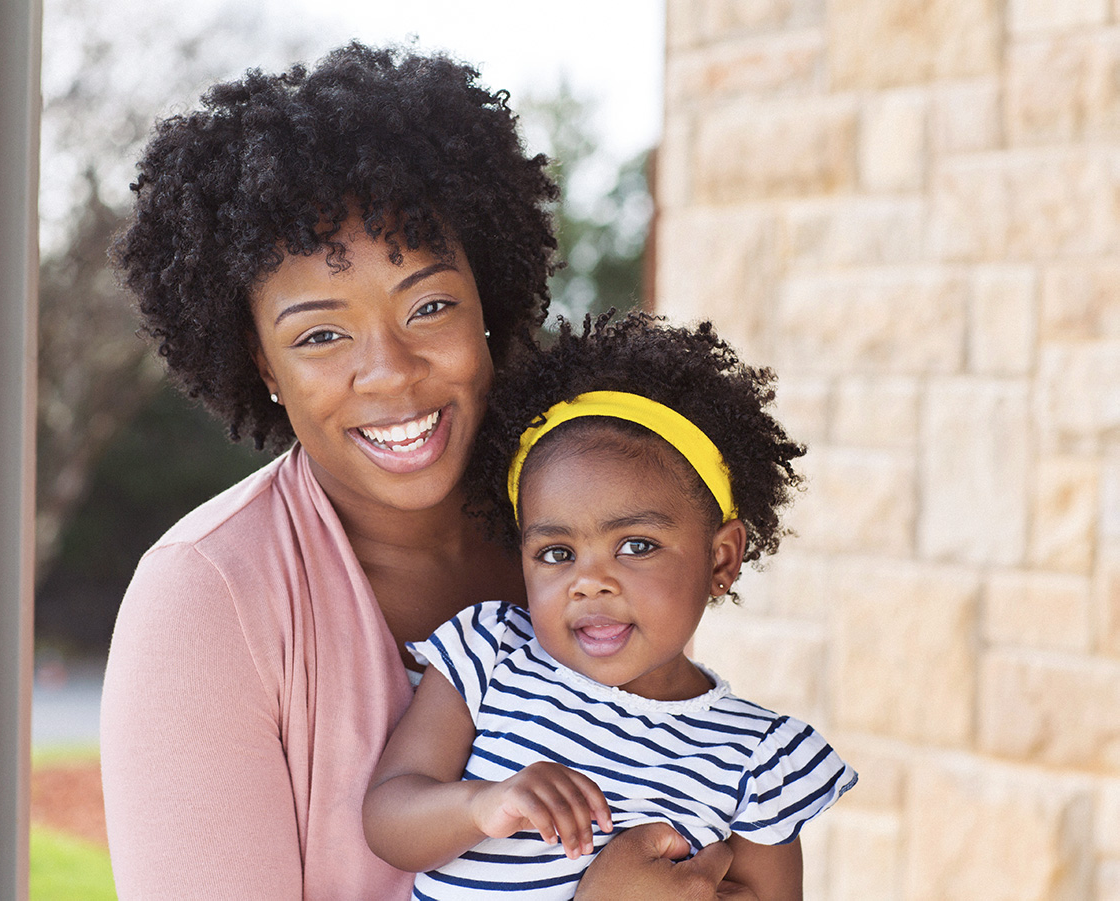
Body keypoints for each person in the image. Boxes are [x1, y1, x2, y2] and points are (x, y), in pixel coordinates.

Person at [102, 42, 749, 900]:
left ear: (489, 300)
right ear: (260, 362)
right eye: (320, 335)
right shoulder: (207, 598)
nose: (391, 371)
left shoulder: (583, 519)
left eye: (430, 306)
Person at [362, 312, 858, 901]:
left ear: (721, 560)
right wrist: (483, 804)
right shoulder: (490, 652)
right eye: (556, 552)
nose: (588, 583)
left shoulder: (757, 759)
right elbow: (389, 817)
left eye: (636, 546)